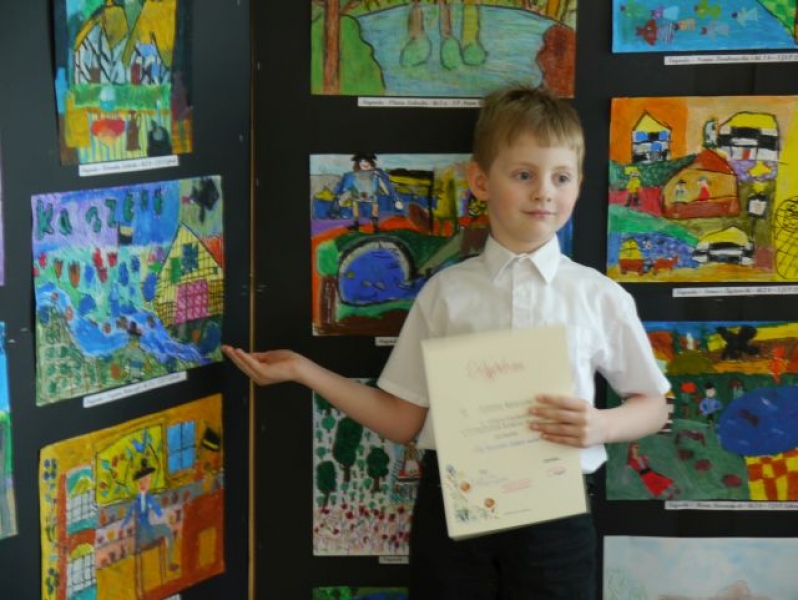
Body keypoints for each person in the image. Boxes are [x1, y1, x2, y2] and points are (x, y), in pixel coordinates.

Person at [223, 84, 669, 600]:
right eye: (523, 175)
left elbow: (653, 405)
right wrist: (306, 371)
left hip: (557, 516)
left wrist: (602, 425)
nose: (544, 192)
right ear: (481, 181)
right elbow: (404, 419)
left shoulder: (598, 296)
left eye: (561, 177)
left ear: (579, 185)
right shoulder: (446, 293)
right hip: (455, 513)